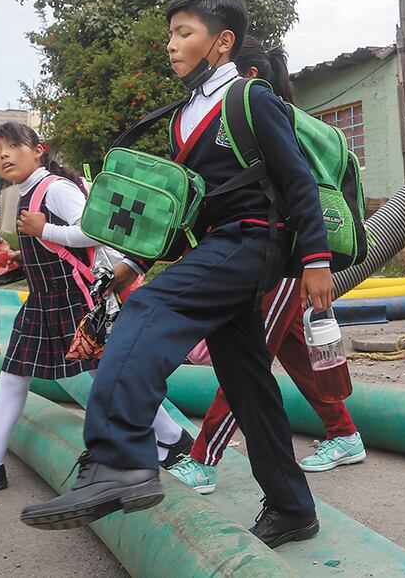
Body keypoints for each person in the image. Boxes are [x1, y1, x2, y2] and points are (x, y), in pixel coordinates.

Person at [21, 0, 334, 550]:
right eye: (170, 34)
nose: (171, 45)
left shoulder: (250, 99)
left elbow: (298, 183)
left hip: (252, 242)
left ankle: (119, 461)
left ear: (223, 42)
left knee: (150, 308)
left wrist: (315, 260)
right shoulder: (184, 117)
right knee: (246, 382)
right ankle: (292, 507)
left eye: (183, 33)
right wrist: (133, 261)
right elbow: (180, 205)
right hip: (215, 245)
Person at [0, 123, 191, 502]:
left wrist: (44, 231)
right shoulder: (24, 193)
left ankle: (172, 437)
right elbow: (53, 244)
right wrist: (23, 256)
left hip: (76, 297)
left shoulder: (54, 188)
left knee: (108, 372)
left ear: (39, 150)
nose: (3, 155)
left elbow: (97, 231)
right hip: (43, 299)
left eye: (12, 146)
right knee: (14, 375)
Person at [169, 37, 365, 495]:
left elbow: (296, 191)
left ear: (251, 78)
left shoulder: (261, 114)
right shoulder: (258, 120)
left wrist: (313, 262)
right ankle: (344, 434)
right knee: (293, 347)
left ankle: (203, 459)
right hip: (279, 255)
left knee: (246, 361)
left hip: (281, 257)